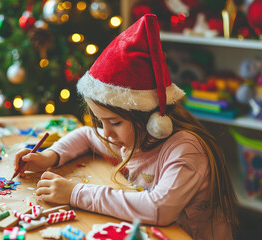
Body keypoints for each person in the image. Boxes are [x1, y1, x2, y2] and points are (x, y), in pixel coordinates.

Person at [14, 14, 238, 240]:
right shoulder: (136, 136)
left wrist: (75, 193)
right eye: (101, 122)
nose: (107, 133)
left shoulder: (186, 150)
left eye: (115, 122)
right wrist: (50, 157)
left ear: (152, 119)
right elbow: (86, 135)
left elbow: (158, 209)